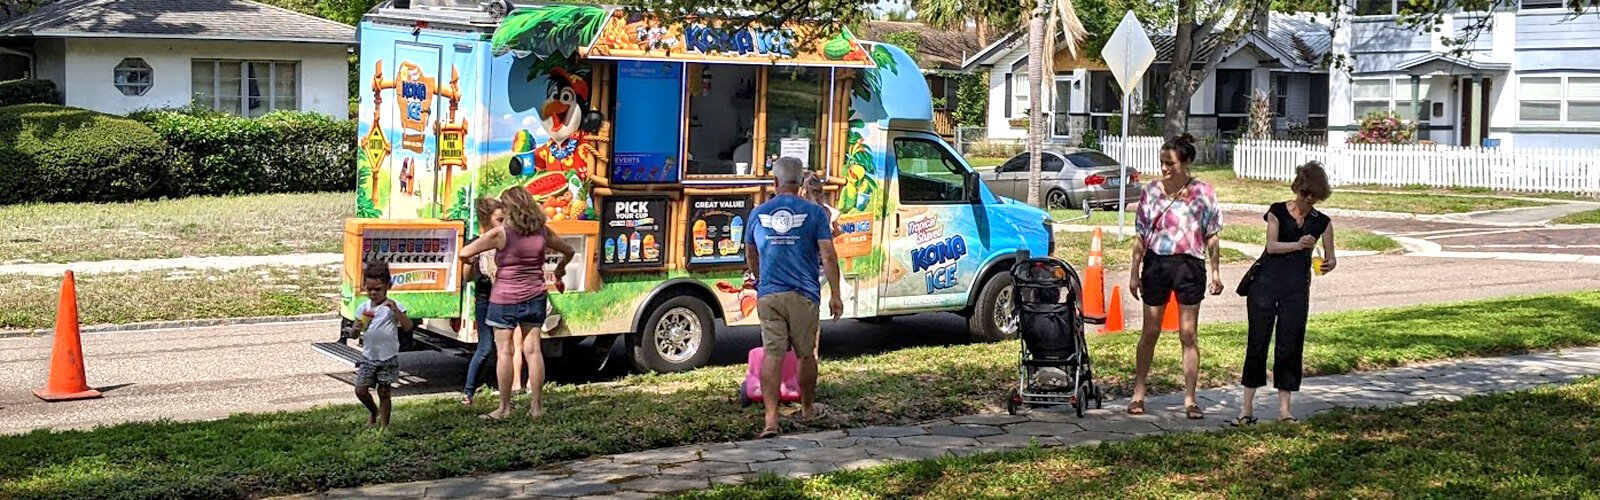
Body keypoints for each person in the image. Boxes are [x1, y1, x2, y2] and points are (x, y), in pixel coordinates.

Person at [745, 157, 843, 439]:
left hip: (770, 295)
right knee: (805, 354)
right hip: (804, 294)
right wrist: (835, 295)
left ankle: (771, 420)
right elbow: (828, 255)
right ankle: (808, 408)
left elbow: (751, 254)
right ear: (800, 184)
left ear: (775, 183)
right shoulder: (814, 214)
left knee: (772, 354)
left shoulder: (759, 213)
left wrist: (760, 277)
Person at [458, 187, 576, 420]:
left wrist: (470, 259)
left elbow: (465, 251)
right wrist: (559, 269)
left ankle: (504, 409)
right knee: (533, 351)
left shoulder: (501, 234)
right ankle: (536, 408)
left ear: (510, 208)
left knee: (504, 352)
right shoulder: (542, 231)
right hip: (535, 297)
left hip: (504, 299)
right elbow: (569, 251)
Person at [1128, 133, 1223, 420]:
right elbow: (1140, 234)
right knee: (1150, 331)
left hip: (1190, 265)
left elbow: (1212, 234)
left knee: (1188, 333)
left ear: (1186, 162)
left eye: (1170, 163)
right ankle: (1138, 393)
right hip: (1157, 264)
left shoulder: (1204, 192)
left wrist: (1216, 270)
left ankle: (1191, 398)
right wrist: (1134, 272)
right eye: (1162, 162)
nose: (1164, 168)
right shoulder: (1151, 192)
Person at [1235, 162, 1335, 426]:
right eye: (1304, 193)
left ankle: (1284, 410)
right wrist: (1298, 244)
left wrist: (1328, 262)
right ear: (1296, 188)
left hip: (1296, 288)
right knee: (1258, 342)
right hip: (1266, 284)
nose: (1307, 199)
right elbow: (1271, 245)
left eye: (1313, 195)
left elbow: (1331, 257)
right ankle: (1246, 408)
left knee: (1290, 344)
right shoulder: (1277, 211)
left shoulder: (1321, 222)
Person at [353, 261, 413, 429]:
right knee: (360, 390)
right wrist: (355, 329)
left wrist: (396, 311)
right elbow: (355, 334)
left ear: (387, 287)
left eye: (377, 289)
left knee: (385, 392)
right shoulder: (363, 308)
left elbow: (408, 326)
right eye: (369, 289)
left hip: (388, 356)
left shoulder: (394, 307)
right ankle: (373, 411)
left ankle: (384, 426)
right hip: (369, 356)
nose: (373, 293)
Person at [462, 197, 505, 406]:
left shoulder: (505, 241)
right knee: (486, 347)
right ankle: (468, 392)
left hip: (505, 298)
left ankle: (508, 389)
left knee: (507, 347)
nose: (503, 224)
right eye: (499, 219)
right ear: (487, 221)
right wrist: (469, 262)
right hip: (485, 300)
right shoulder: (476, 243)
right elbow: (467, 277)